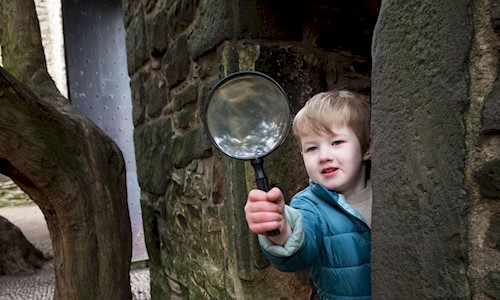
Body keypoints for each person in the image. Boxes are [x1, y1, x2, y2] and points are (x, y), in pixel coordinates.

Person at [244, 90, 372, 299]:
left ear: (367, 147)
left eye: (337, 142)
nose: (324, 156)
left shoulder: (391, 191)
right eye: (312, 148)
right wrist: (280, 227)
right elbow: (301, 242)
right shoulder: (309, 205)